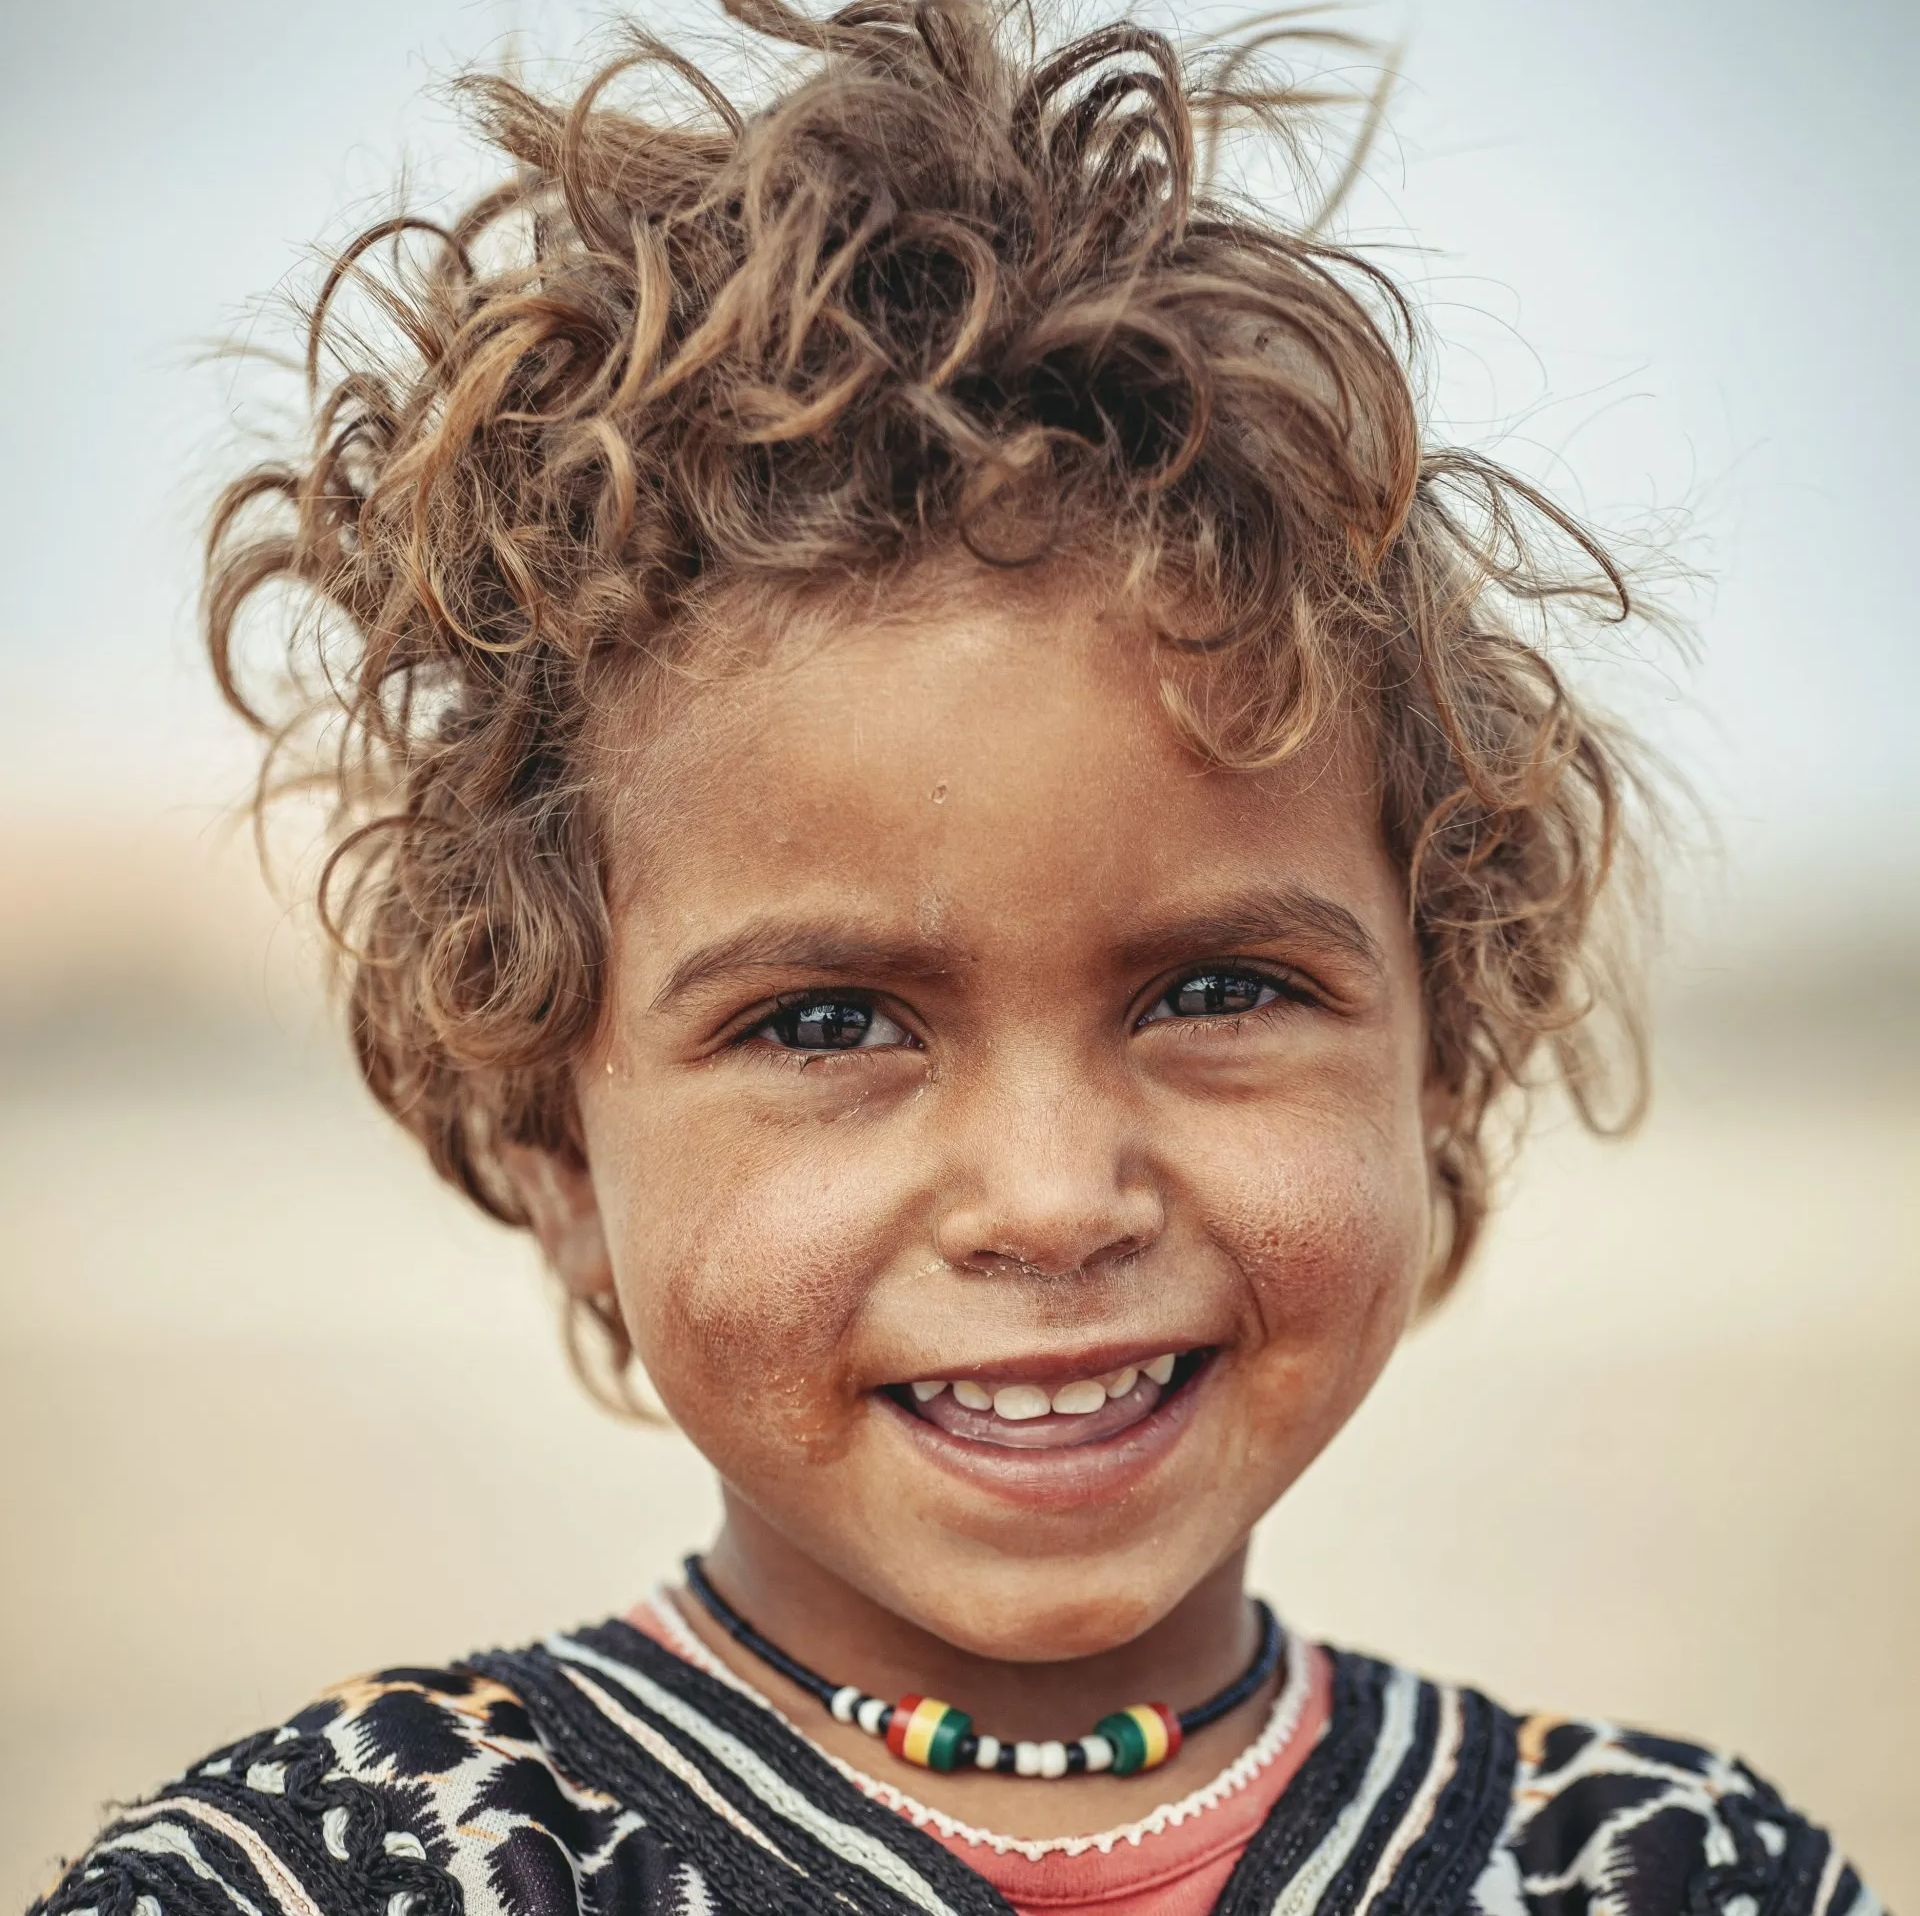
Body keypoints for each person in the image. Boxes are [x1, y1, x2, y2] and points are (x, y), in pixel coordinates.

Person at [31, 3, 1876, 1913]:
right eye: (830, 1021)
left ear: (1439, 1058)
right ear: (552, 1142)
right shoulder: (338, 1875)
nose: (1055, 1199)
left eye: (1219, 991)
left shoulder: (1673, 1872)